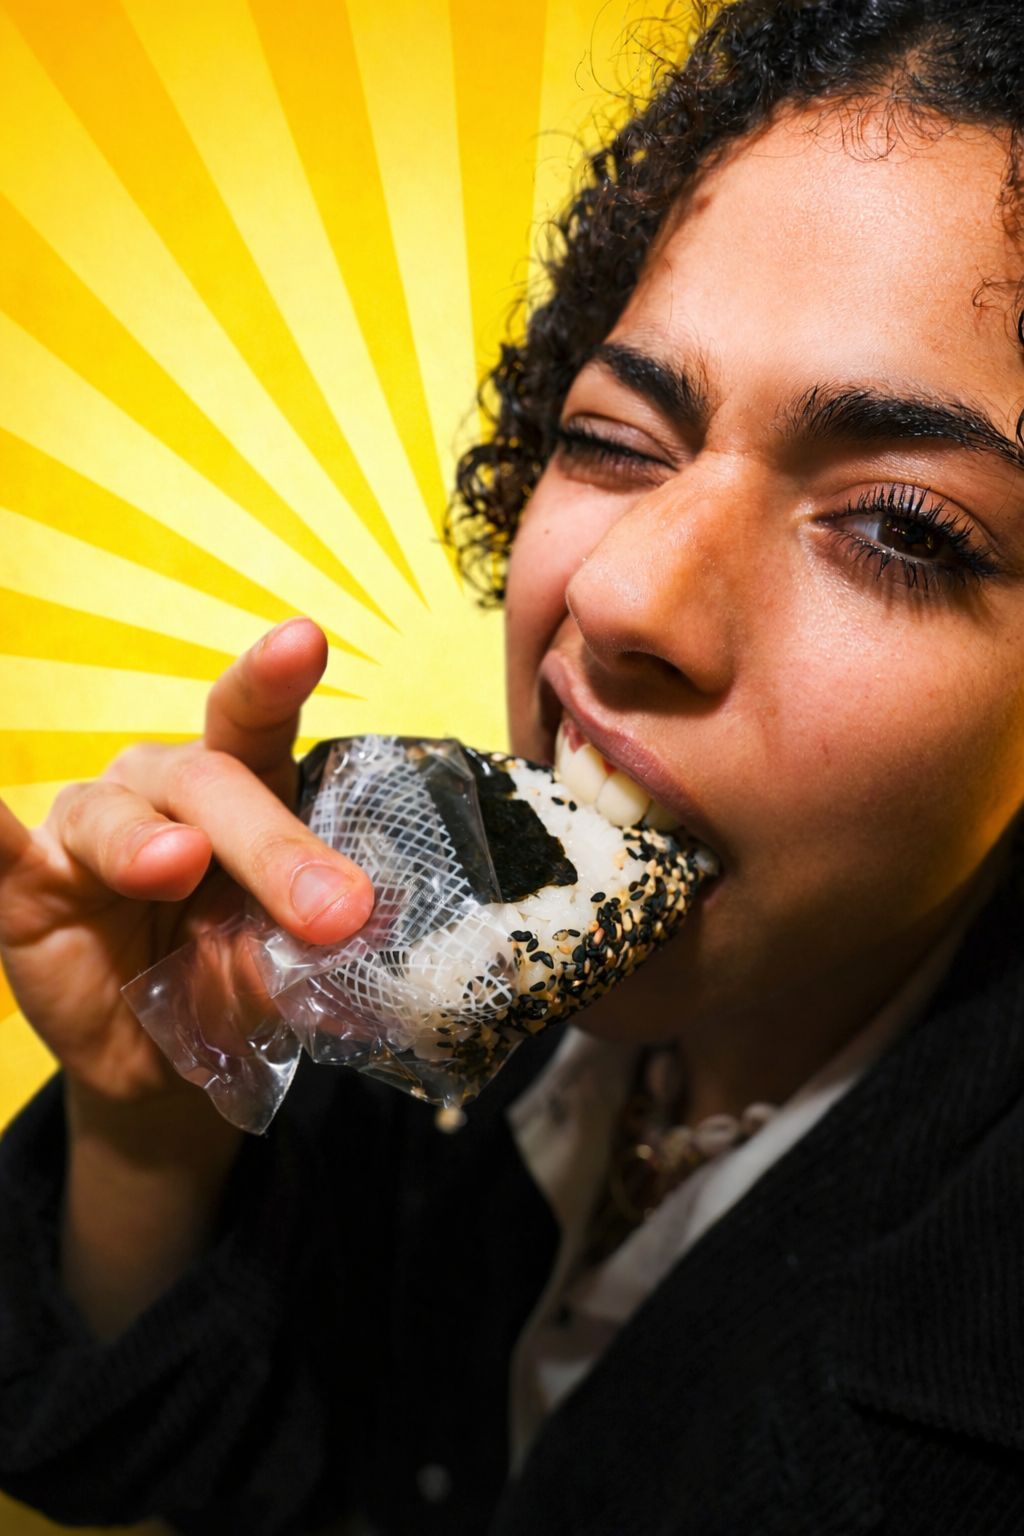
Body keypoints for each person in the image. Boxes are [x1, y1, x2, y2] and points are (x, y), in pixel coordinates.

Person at [2, 0, 1024, 1530]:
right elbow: (165, 1464)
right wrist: (152, 1125)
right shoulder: (408, 933)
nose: (619, 596)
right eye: (618, 439)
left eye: (903, 528)